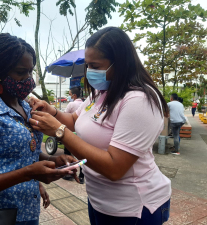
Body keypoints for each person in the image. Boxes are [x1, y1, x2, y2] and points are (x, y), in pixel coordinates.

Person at [29, 27, 171, 225]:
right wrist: (52, 112)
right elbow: (74, 121)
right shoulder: (101, 92)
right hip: (100, 201)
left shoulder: (139, 100)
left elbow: (115, 168)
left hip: (132, 209)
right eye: (87, 65)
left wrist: (59, 132)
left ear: (119, 63)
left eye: (95, 65)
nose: (89, 72)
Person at [0, 33, 78, 225]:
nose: (29, 80)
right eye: (21, 72)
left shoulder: (27, 108)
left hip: (29, 212)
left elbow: (22, 154)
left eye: (30, 72)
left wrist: (53, 160)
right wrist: (29, 174)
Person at [63, 87, 84, 183]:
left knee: (67, 153)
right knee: (82, 154)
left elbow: (65, 115)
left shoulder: (72, 104)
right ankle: (82, 175)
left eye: (70, 94)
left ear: (74, 95)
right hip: (81, 132)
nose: (69, 96)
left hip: (70, 132)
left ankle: (69, 173)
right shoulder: (84, 104)